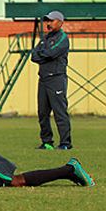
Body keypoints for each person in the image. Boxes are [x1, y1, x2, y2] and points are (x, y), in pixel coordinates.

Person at [31, 11, 71, 150]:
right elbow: (34, 56)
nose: (48, 23)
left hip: (56, 78)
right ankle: (47, 142)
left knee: (60, 112)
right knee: (42, 113)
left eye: (51, 21)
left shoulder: (63, 38)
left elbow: (51, 53)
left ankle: (65, 143)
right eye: (47, 21)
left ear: (60, 22)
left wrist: (43, 55)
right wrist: (44, 55)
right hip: (43, 79)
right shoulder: (45, 38)